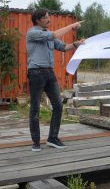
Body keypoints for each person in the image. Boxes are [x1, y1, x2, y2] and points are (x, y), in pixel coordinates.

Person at [26, 8, 85, 152]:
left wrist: (78, 44)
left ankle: (52, 138)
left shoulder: (48, 35)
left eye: (48, 17)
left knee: (58, 105)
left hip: (49, 74)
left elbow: (64, 47)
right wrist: (72, 26)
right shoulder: (32, 33)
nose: (49, 20)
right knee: (35, 108)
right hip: (36, 73)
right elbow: (55, 34)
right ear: (38, 20)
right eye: (46, 18)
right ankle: (36, 141)